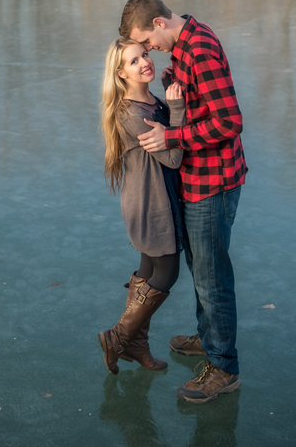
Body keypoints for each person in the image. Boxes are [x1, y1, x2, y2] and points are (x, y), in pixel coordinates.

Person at [119, 0, 247, 404]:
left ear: (159, 23)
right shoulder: (186, 46)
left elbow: (229, 121)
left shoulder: (201, 50)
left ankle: (223, 367)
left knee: (212, 278)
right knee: (201, 268)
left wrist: (173, 135)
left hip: (214, 182)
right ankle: (209, 338)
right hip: (196, 179)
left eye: (147, 41)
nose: (150, 51)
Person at [98, 39, 186, 375]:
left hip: (156, 197)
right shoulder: (132, 113)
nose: (144, 63)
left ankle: (135, 343)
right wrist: (176, 108)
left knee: (148, 272)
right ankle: (118, 337)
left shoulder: (150, 101)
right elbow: (174, 157)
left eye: (145, 55)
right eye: (133, 62)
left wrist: (168, 98)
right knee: (167, 272)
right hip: (151, 204)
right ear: (121, 73)